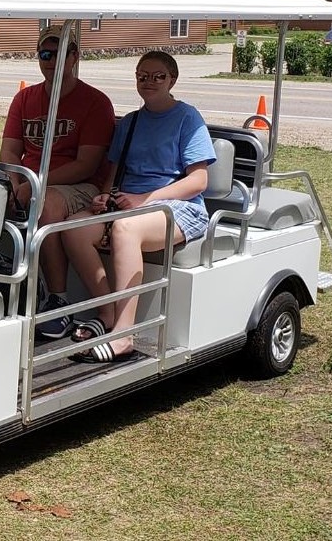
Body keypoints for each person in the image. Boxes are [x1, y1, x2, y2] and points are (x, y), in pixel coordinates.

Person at [61, 51, 216, 362]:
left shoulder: (188, 118)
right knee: (74, 230)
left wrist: (147, 199)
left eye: (158, 76)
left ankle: (124, 334)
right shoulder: (130, 122)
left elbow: (198, 181)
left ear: (172, 79)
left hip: (178, 206)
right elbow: (116, 174)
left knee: (125, 228)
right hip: (132, 203)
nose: (149, 82)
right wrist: (106, 196)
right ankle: (106, 313)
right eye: (142, 76)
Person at [0, 24, 115, 339]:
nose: (51, 61)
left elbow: (86, 164)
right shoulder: (24, 99)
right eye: (45, 54)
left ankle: (58, 300)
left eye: (60, 53)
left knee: (45, 203)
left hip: (80, 186)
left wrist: (33, 185)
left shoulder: (95, 102)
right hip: (29, 182)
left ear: (75, 57)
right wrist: (11, 184)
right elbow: (10, 150)